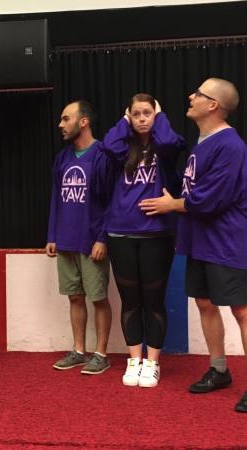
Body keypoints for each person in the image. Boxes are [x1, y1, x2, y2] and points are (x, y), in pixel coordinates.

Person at [139, 78, 247, 412]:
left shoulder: (230, 145)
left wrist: (171, 205)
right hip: (200, 239)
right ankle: (219, 370)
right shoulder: (202, 143)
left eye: (198, 93)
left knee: (241, 310)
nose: (191, 96)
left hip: (227, 240)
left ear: (213, 105)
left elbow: (212, 199)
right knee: (204, 302)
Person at [102, 94, 185, 387]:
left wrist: (160, 116)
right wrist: (124, 120)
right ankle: (134, 359)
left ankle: (152, 362)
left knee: (154, 300)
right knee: (131, 300)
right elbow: (108, 145)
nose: (141, 119)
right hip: (121, 233)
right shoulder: (123, 147)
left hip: (156, 233)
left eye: (147, 113)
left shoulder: (165, 147)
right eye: (135, 114)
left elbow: (169, 142)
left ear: (156, 115)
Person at [46, 100, 114, 375]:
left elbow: (111, 201)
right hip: (66, 239)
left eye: (66, 119)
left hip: (91, 240)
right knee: (74, 297)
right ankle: (78, 350)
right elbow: (55, 198)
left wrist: (103, 238)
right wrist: (52, 234)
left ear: (83, 121)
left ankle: (101, 354)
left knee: (98, 298)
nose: (61, 124)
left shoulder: (103, 155)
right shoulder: (62, 158)